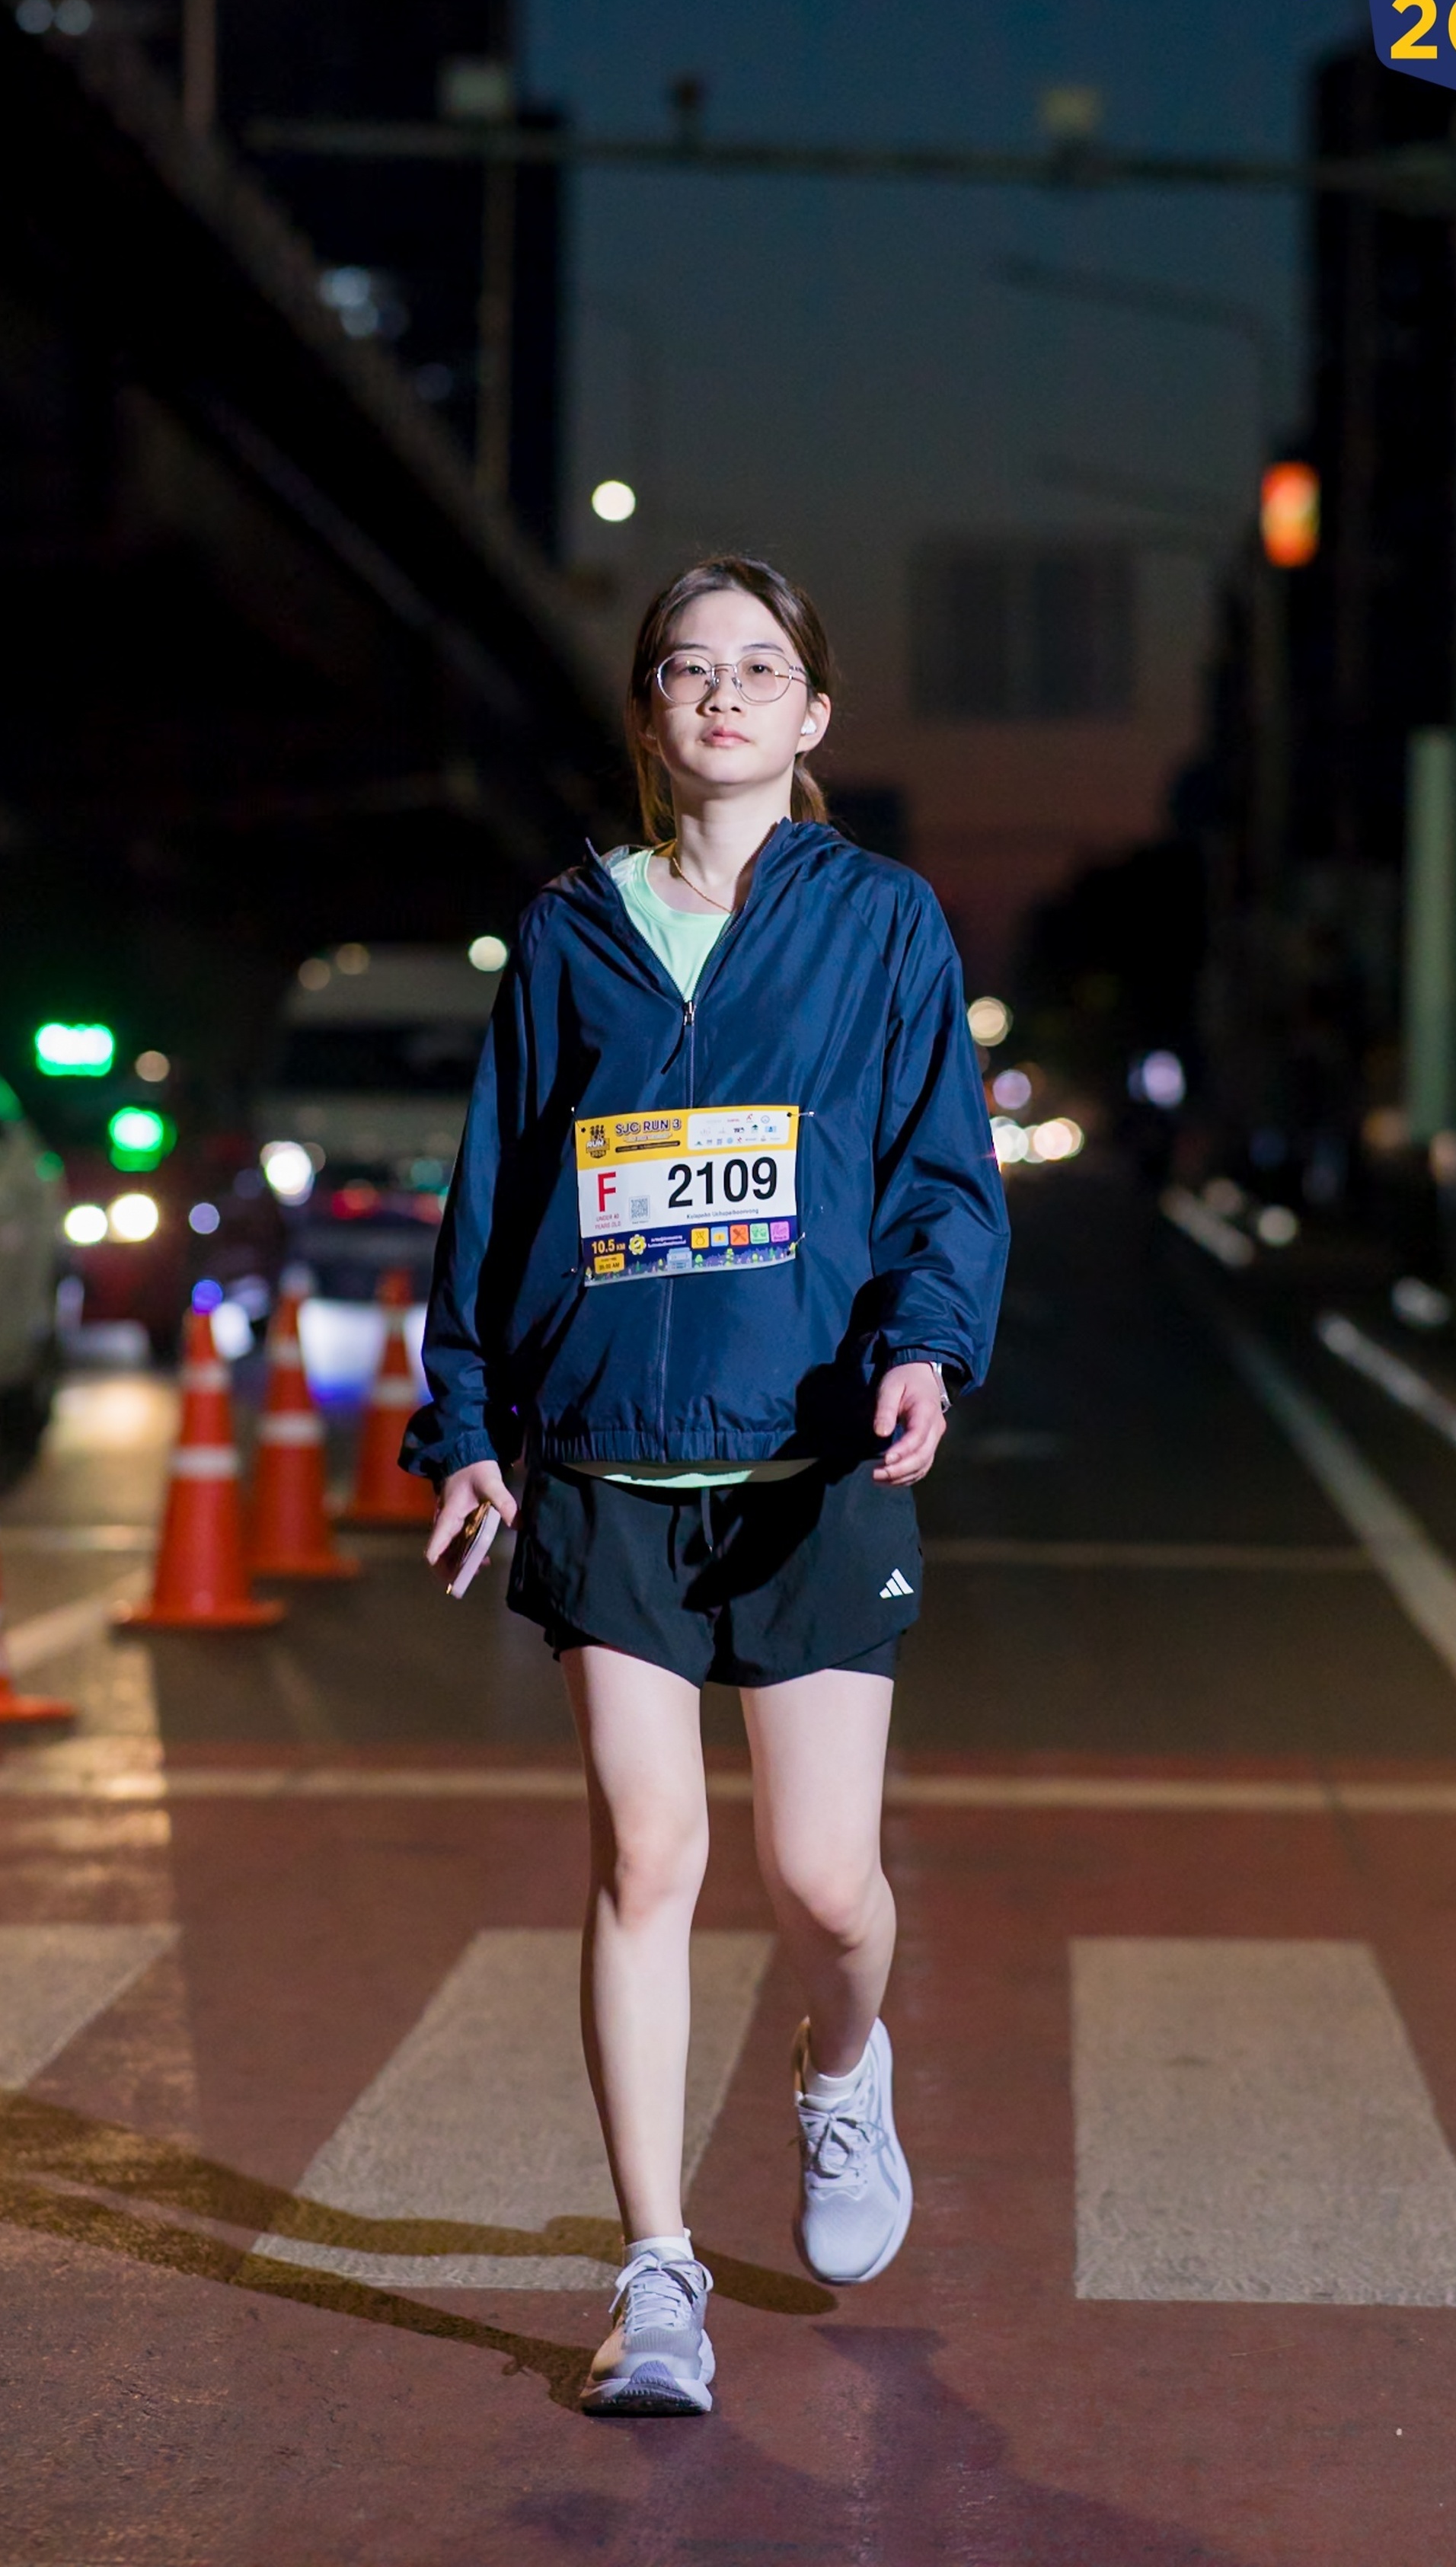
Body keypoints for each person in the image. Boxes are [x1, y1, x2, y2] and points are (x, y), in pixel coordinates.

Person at [404, 554, 1008, 2417]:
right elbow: (499, 1187)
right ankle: (655, 2271)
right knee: (646, 1851)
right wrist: (465, 1415)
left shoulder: (880, 921)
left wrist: (925, 1343)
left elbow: (938, 1169)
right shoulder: (569, 931)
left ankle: (843, 2068)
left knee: (823, 1878)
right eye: (687, 667)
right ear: (650, 714)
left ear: (812, 714)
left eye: (759, 667)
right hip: (608, 1457)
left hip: (814, 1453)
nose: (722, 692)